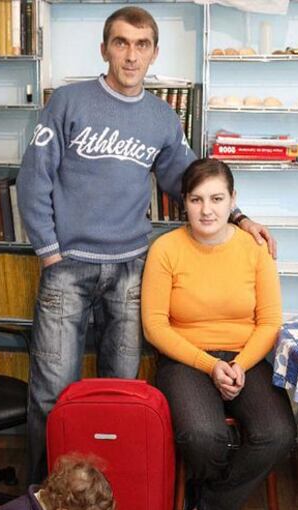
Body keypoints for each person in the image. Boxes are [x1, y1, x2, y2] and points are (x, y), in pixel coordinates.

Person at [16, 6, 275, 485]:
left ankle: (109, 493)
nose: (131, 55)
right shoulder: (67, 102)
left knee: (121, 390)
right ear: (104, 49)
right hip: (67, 266)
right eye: (120, 43)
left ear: (154, 52)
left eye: (141, 45)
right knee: (52, 391)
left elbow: (191, 181)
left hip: (131, 270)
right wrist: (50, 251)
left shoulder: (161, 117)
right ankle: (43, 496)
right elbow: (34, 178)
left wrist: (239, 217)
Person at [141, 158, 296, 510]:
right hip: (186, 358)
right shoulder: (165, 249)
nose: (206, 210)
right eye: (196, 200)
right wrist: (210, 366)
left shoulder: (255, 248)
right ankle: (221, 505)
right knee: (202, 436)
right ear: (184, 202)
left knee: (278, 433)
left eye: (216, 198)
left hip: (247, 357)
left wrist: (240, 364)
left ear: (233, 201)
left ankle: (206, 505)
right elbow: (154, 326)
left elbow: (269, 321)